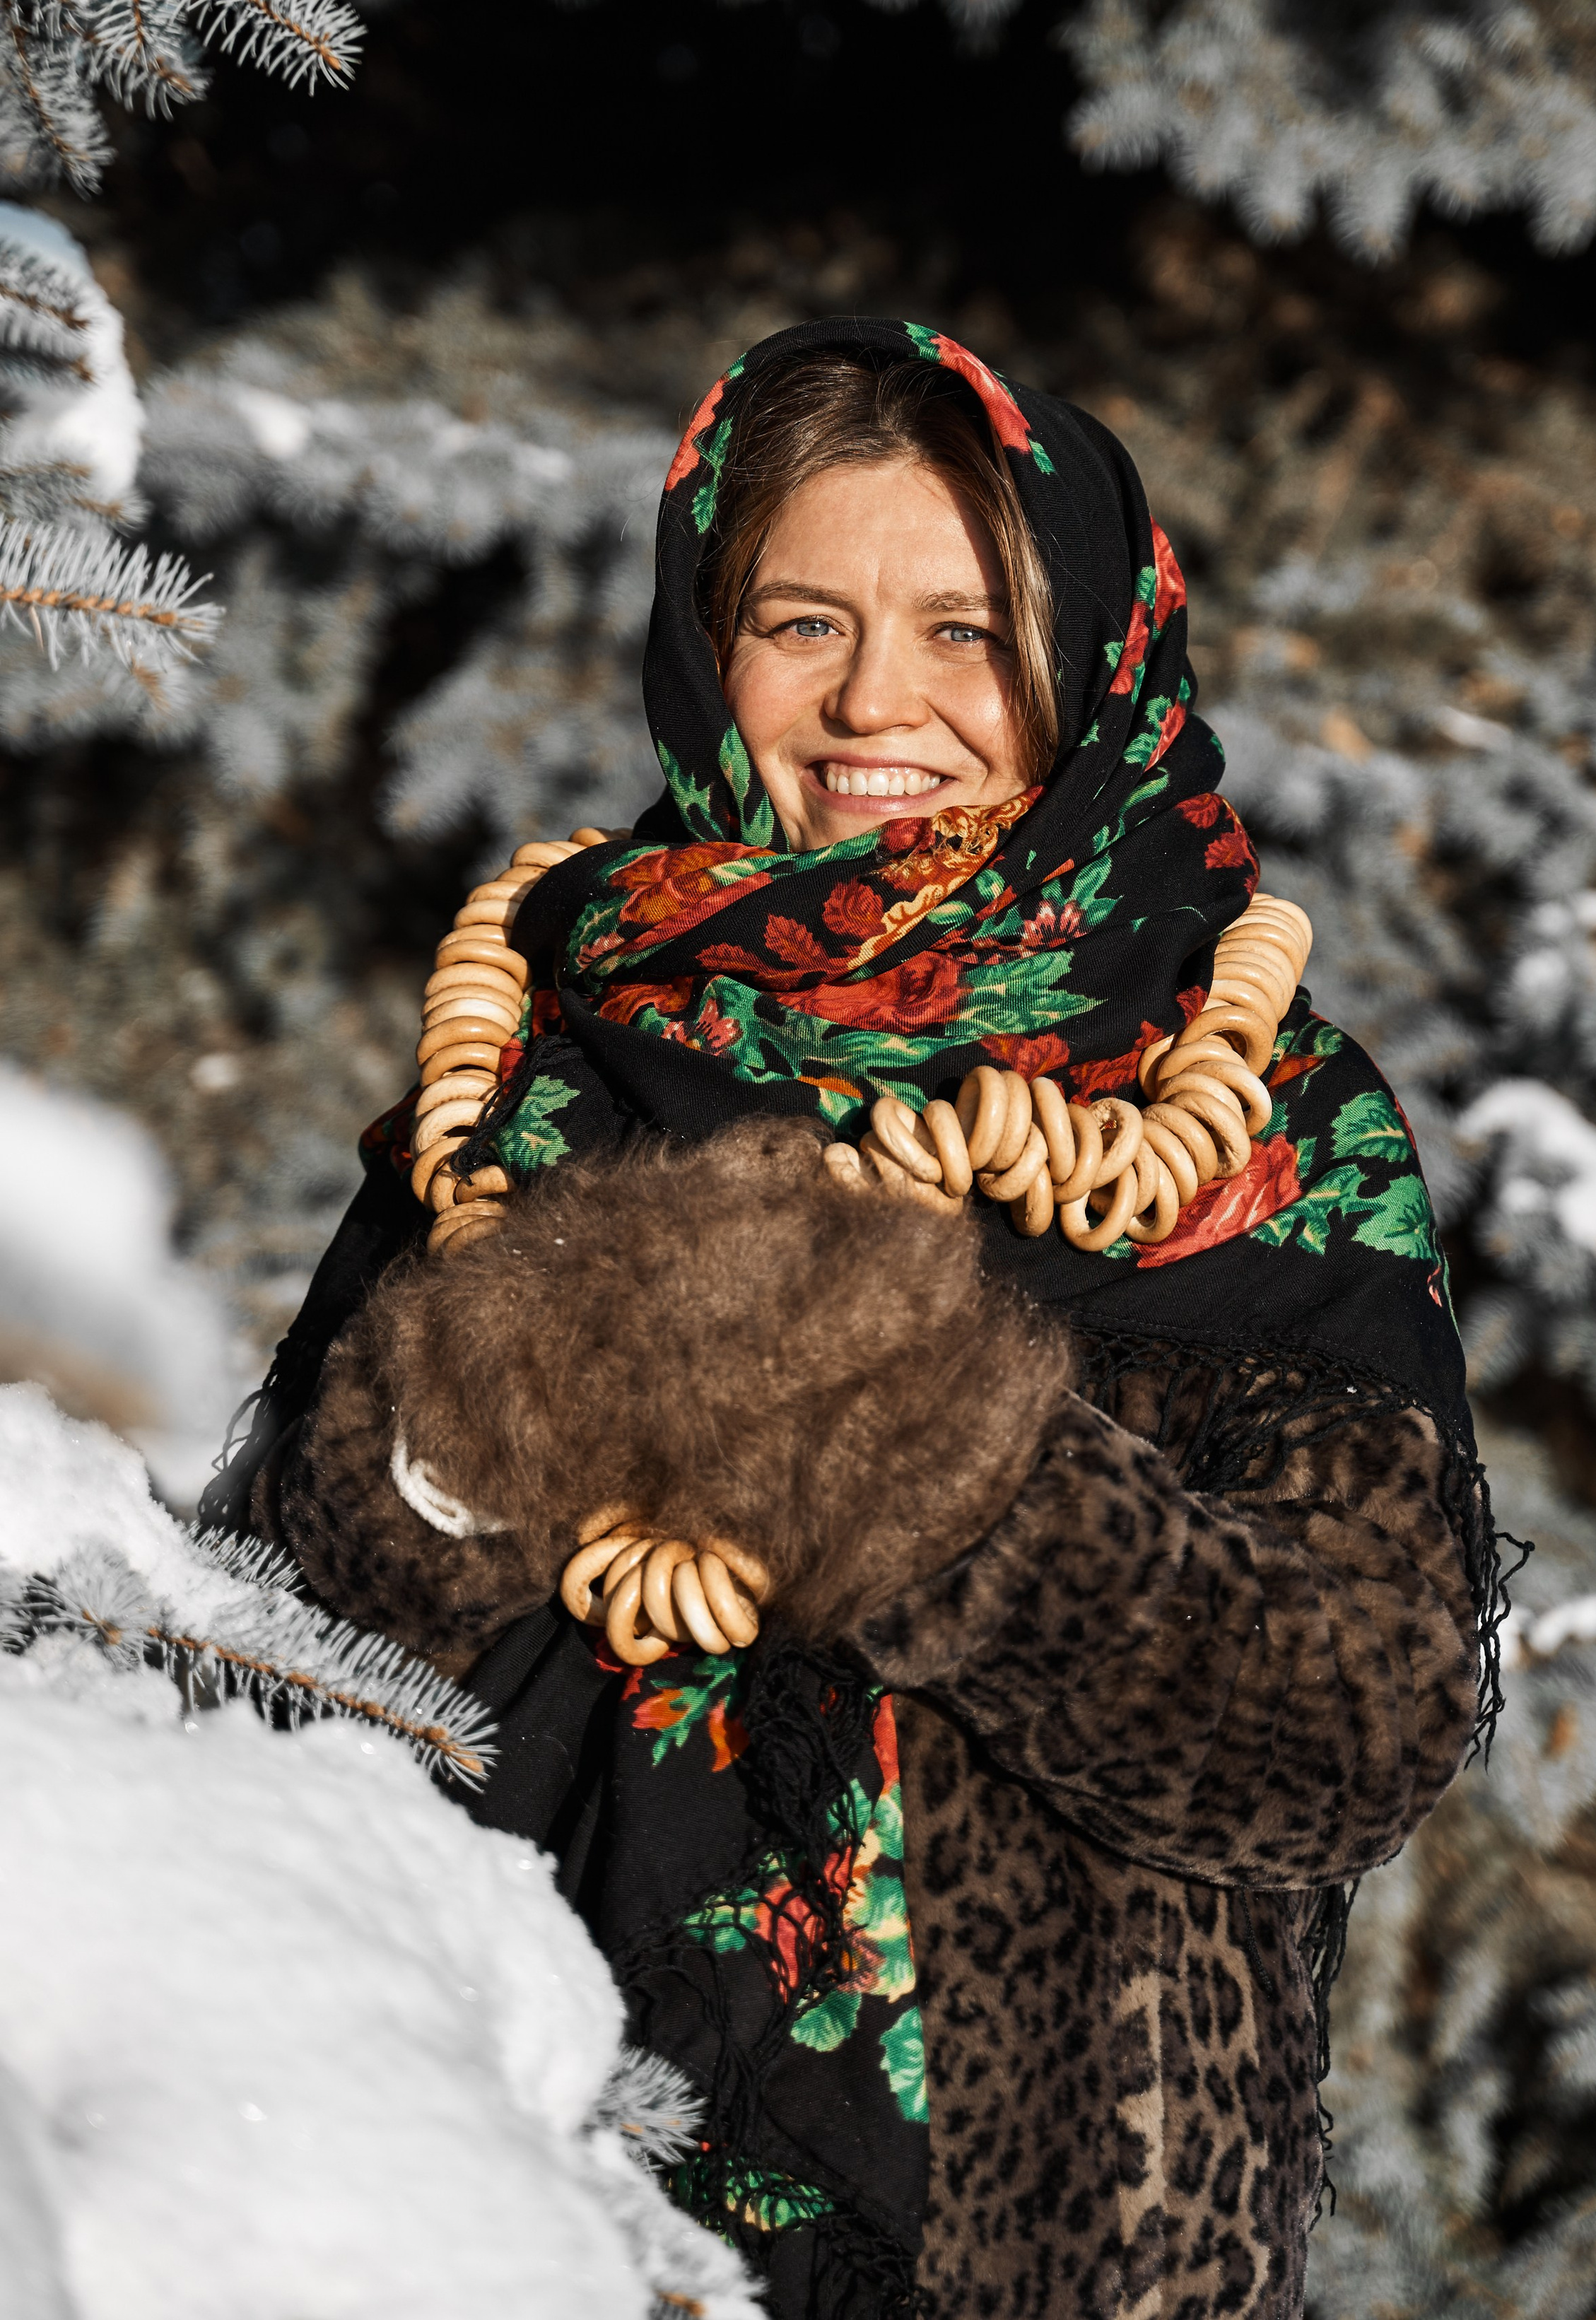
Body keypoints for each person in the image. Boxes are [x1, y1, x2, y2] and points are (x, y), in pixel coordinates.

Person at [216, 318, 1500, 2320]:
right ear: (706, 642)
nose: (873, 698)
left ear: (1086, 654)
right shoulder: (547, 1055)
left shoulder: (1255, 1112)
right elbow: (294, 1655)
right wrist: (514, 1370)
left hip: (1027, 2245)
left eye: (966, 629)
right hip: (494, 2187)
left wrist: (913, 1434)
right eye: (800, 619)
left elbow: (1342, 1730)